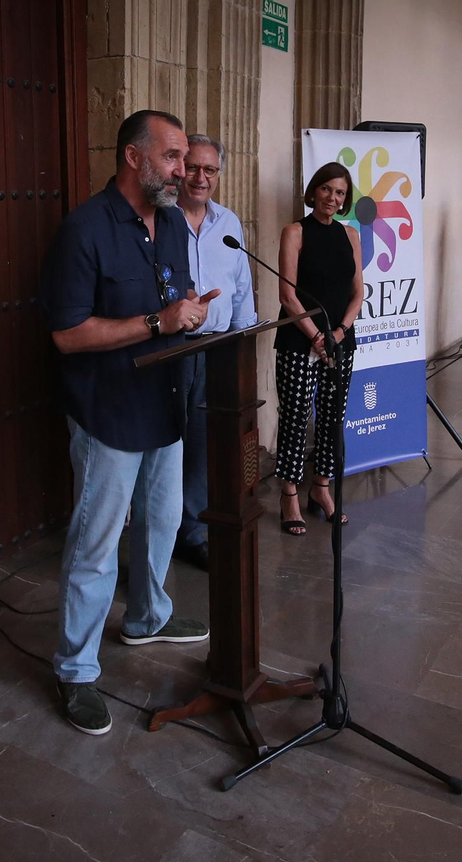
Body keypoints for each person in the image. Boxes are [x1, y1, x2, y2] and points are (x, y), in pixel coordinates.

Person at [39, 110, 215, 737]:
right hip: (109, 413)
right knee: (96, 543)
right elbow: (66, 333)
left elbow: (173, 300)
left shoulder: (168, 224)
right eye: (172, 157)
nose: (183, 170)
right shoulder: (84, 230)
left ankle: (147, 617)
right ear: (134, 157)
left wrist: (189, 312)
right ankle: (76, 669)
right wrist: (158, 324)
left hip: (164, 406)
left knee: (164, 519)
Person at [174, 134, 257, 571]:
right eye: (193, 167)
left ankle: (193, 530)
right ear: (179, 168)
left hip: (218, 348)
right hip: (170, 349)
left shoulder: (229, 222)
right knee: (168, 442)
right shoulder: (160, 219)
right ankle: (161, 528)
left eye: (210, 170)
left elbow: (241, 286)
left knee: (205, 444)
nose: (201, 177)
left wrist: (243, 341)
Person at [275, 162, 366, 531]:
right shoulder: (295, 232)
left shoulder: (351, 235)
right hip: (299, 340)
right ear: (314, 191)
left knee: (332, 419)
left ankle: (321, 489)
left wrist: (340, 333)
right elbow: (287, 294)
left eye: (340, 192)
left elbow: (358, 291)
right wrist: (316, 336)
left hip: (340, 341)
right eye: (326, 189)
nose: (333, 197)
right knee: (295, 419)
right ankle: (290, 496)